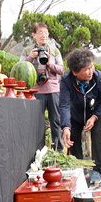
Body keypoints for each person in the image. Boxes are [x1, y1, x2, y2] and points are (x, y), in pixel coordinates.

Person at [59, 49, 101, 183]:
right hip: (76, 114)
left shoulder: (99, 78)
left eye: (92, 66)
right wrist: (65, 127)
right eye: (86, 69)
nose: (91, 71)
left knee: (96, 134)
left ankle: (96, 170)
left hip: (95, 112)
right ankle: (79, 169)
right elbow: (64, 105)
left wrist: (94, 117)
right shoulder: (66, 81)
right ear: (75, 72)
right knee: (74, 137)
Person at [20, 22, 65, 151]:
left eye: (46, 33)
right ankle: (37, 151)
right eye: (40, 33)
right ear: (34, 35)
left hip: (52, 90)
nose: (43, 35)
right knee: (36, 123)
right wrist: (30, 58)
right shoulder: (27, 50)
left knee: (55, 121)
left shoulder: (55, 50)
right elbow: (20, 69)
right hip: (35, 90)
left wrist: (50, 63)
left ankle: (58, 151)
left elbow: (61, 70)